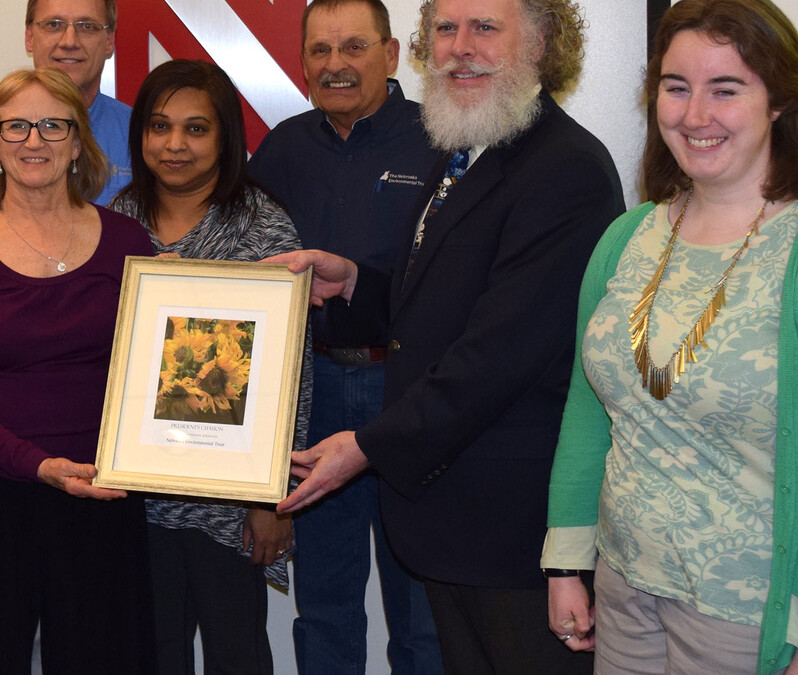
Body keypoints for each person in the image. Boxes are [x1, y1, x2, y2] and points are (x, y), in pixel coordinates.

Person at [543, 1, 798, 674]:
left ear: (780, 101)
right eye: (676, 87)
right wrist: (568, 559)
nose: (693, 115)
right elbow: (589, 410)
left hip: (761, 618)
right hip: (627, 593)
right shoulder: (627, 238)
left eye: (726, 89)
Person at [268, 0, 625, 672]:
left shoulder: (565, 168)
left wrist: (367, 445)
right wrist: (353, 283)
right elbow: (434, 308)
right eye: (446, 29)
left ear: (541, 44)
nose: (460, 48)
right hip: (454, 523)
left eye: (485, 28)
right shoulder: (466, 148)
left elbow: (498, 356)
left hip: (515, 537)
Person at [0, 67, 156, 674]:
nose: (35, 141)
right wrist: (39, 466)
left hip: (104, 497)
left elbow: (158, 374)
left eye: (54, 125)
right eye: (16, 126)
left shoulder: (130, 242)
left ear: (79, 142)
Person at [247, 0, 445, 672]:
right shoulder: (280, 150)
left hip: (409, 395)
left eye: (354, 47)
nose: (336, 65)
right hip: (313, 392)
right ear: (301, 63)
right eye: (321, 51)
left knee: (421, 616)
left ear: (392, 57)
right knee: (324, 609)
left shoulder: (441, 142)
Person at [108, 58, 311, 675]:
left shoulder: (264, 227)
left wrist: (273, 499)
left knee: (237, 654)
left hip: (232, 502)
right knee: (148, 652)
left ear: (226, 136)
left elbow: (290, 378)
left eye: (196, 129)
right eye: (159, 126)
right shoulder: (115, 225)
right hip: (136, 498)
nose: (174, 145)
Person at [0, 0, 131, 222]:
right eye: (54, 25)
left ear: (109, 40)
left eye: (87, 26)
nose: (69, 41)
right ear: (29, 37)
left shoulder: (136, 133)